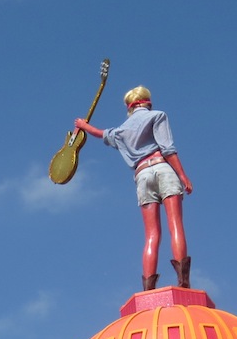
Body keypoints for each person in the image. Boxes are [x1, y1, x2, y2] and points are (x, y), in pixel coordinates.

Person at [74, 86, 193, 290]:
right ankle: (183, 281)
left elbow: (100, 133)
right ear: (147, 102)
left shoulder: (121, 131)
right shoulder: (157, 116)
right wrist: (183, 176)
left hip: (142, 176)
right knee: (175, 225)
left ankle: (148, 288)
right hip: (162, 168)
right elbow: (167, 148)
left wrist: (82, 125)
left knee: (151, 234)